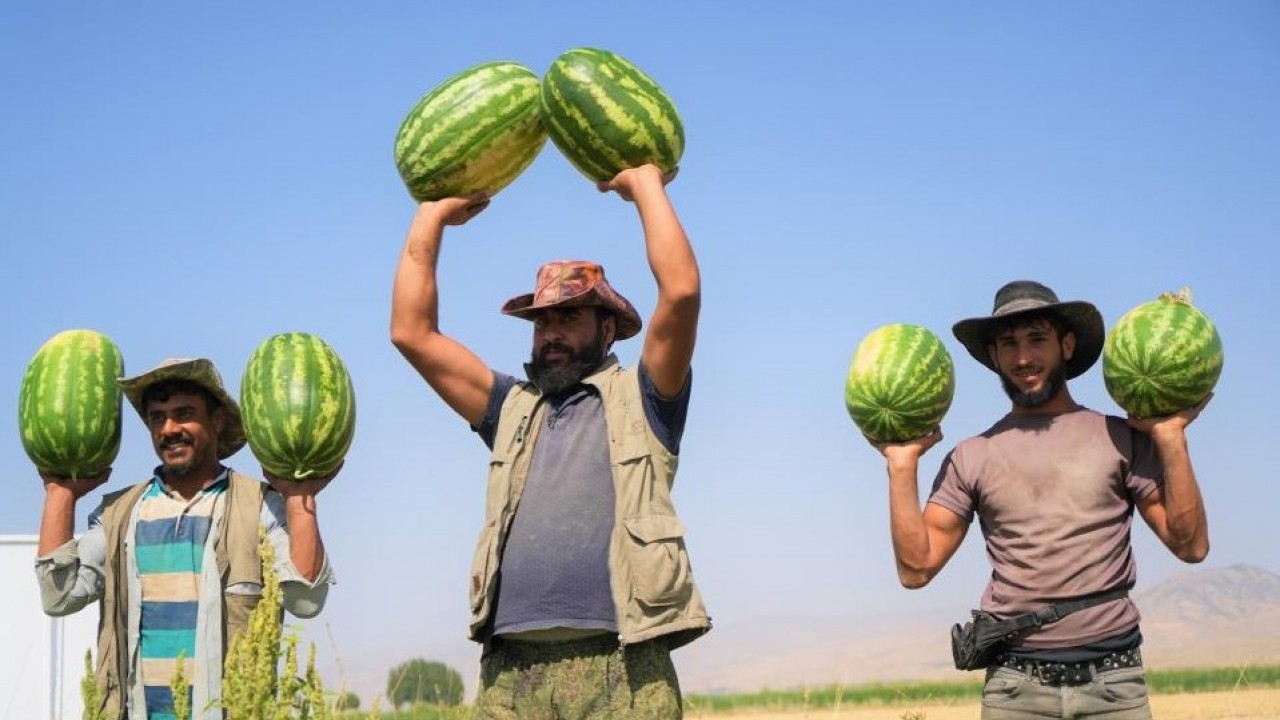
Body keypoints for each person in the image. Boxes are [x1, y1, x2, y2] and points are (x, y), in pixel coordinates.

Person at [390, 163, 710, 719]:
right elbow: (411, 333)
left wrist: (645, 188)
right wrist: (431, 217)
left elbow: (681, 293)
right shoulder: (509, 408)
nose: (551, 332)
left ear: (606, 328)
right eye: (542, 322)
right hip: (512, 673)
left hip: (623, 666)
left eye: (568, 317)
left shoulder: (645, 397)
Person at [868, 280, 1210, 720]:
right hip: (1016, 690)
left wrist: (1171, 437)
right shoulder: (972, 456)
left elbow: (1191, 546)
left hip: (1115, 686)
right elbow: (916, 570)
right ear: (994, 357)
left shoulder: (1121, 438)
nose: (1023, 357)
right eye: (1008, 344)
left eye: (1037, 339)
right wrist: (900, 467)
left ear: (1066, 345)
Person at [34, 357, 338, 720]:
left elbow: (306, 601)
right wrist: (59, 495)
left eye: (183, 413)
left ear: (218, 420)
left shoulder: (259, 505)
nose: (168, 429)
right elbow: (59, 597)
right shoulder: (119, 514)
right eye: (157, 418)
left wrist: (299, 501)